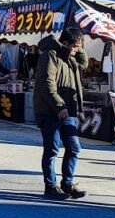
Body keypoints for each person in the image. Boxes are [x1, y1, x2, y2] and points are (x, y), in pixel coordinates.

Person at [33, 26, 88, 200]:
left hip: (68, 112)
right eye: (74, 46)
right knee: (52, 149)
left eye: (78, 47)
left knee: (74, 148)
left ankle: (67, 183)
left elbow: (83, 64)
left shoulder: (70, 59)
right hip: (50, 111)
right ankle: (50, 186)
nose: (76, 50)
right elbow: (47, 83)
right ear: (64, 43)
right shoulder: (50, 56)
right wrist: (59, 105)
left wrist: (79, 46)